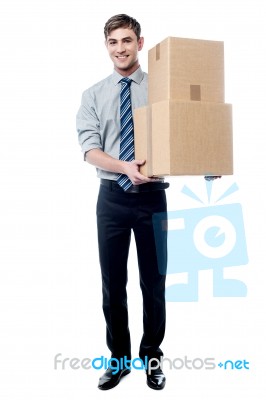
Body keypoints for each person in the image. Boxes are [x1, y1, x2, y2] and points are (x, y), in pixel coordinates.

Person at [76, 14, 169, 390]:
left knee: (154, 284)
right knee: (113, 284)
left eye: (127, 40)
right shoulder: (93, 95)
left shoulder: (161, 88)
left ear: (140, 43)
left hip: (153, 199)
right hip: (112, 199)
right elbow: (89, 150)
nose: (120, 48)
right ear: (106, 46)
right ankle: (118, 360)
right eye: (113, 42)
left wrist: (206, 162)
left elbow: (181, 133)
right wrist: (124, 168)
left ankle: (152, 358)